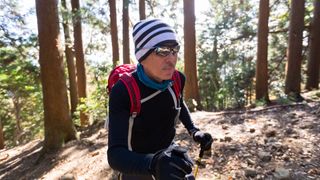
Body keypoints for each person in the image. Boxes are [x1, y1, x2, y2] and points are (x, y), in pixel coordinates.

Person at [107, 18, 213, 180]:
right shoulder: (123, 91)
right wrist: (154, 164)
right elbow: (115, 156)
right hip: (136, 163)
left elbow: (178, 102)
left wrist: (194, 131)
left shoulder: (177, 79)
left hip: (168, 152)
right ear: (142, 55)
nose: (171, 59)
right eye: (162, 50)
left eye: (174, 50)